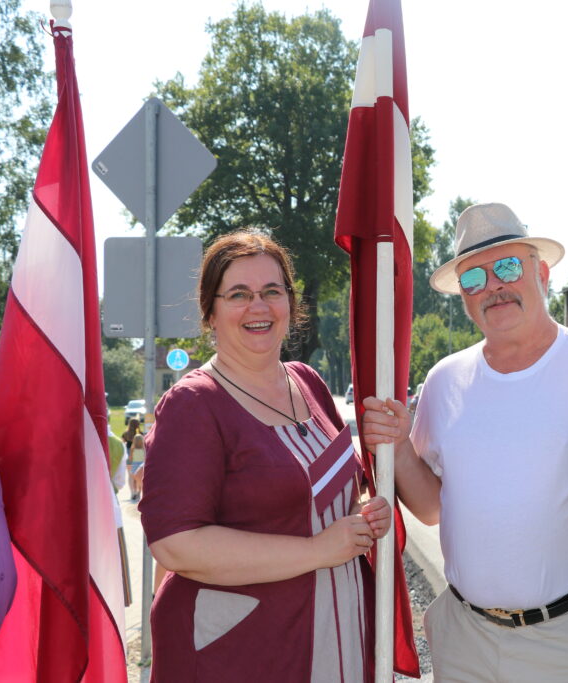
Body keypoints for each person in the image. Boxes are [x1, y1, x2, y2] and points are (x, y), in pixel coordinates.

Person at [362, 202, 568, 682]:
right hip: (465, 639)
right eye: (474, 278)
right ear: (463, 296)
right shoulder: (445, 380)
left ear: (541, 273)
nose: (493, 286)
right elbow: (432, 508)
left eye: (507, 267)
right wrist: (398, 447)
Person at [139, 229, 394, 682]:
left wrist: (361, 515)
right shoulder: (193, 404)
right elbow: (176, 544)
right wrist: (318, 550)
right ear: (210, 311)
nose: (258, 307)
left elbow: (328, 494)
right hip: (245, 653)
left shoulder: (307, 381)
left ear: (290, 303)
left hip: (338, 631)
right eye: (239, 294)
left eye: (272, 291)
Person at [121, 418, 142, 501]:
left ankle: (132, 492)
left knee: (130, 475)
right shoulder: (140, 434)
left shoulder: (125, 434)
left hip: (129, 456)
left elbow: (122, 443)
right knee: (138, 475)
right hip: (139, 456)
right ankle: (138, 493)